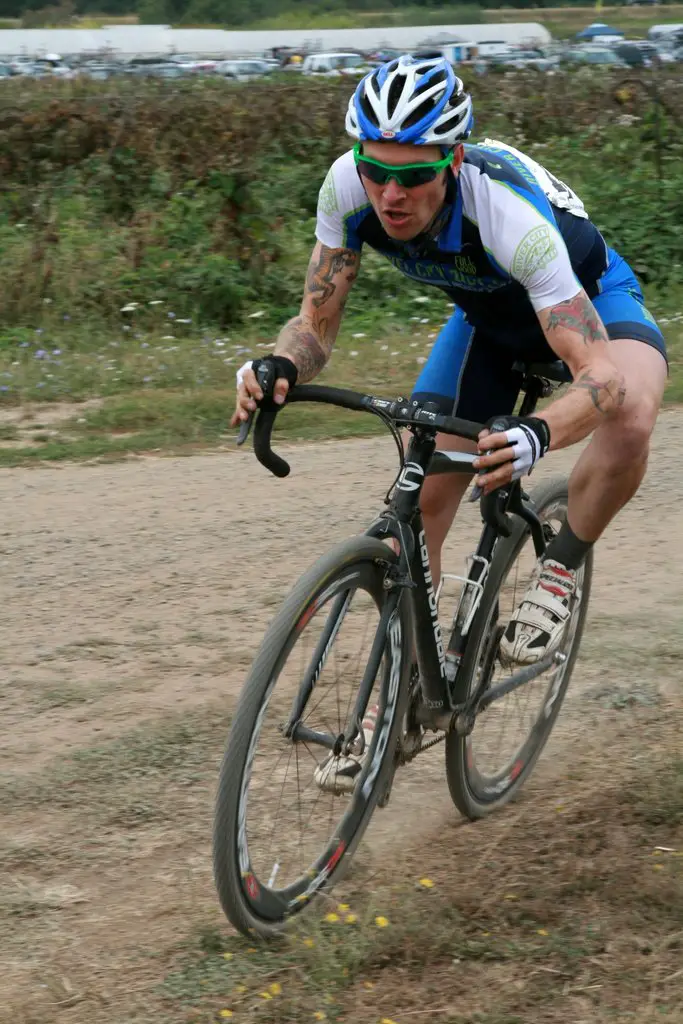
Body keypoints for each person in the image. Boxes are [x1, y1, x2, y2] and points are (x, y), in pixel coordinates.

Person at [233, 55, 666, 791]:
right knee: (422, 489)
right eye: (376, 171)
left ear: (453, 159)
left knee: (631, 411)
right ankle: (396, 698)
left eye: (414, 175)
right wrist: (280, 366)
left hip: (590, 307)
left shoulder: (509, 219)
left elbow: (596, 376)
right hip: (489, 325)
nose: (390, 194)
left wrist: (534, 435)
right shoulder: (346, 189)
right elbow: (315, 324)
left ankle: (559, 565)